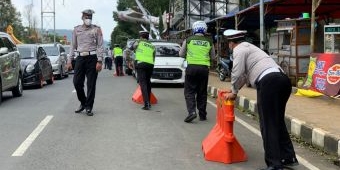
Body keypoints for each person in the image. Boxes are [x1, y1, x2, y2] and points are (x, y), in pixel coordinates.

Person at [222, 29, 298, 170]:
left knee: (268, 124)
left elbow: (237, 72)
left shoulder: (239, 50)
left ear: (231, 43)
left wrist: (233, 92)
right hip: (282, 80)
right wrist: (236, 90)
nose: (229, 46)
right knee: (277, 121)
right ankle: (288, 157)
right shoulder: (251, 48)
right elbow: (244, 76)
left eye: (228, 44)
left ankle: (275, 165)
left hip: (268, 82)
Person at [67, 9, 104, 116]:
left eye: (90, 17)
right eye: (86, 17)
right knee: (77, 82)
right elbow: (73, 45)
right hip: (79, 58)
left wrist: (100, 60)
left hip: (92, 58)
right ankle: (83, 102)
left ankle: (89, 107)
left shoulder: (97, 29)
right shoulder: (76, 30)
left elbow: (100, 45)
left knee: (91, 84)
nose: (88, 19)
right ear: (82, 18)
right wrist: (70, 60)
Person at [179, 21, 215, 123]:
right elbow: (213, 57)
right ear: (205, 29)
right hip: (204, 69)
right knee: (202, 92)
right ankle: (202, 115)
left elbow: (181, 54)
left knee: (189, 91)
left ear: (194, 29)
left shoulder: (188, 40)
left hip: (191, 68)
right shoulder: (209, 41)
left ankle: (192, 112)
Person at [130, 31, 155, 110]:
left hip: (141, 64)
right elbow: (154, 56)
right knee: (148, 82)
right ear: (148, 37)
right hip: (150, 65)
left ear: (141, 37)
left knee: (143, 83)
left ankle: (146, 104)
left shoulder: (138, 42)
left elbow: (131, 48)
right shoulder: (152, 46)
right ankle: (149, 101)